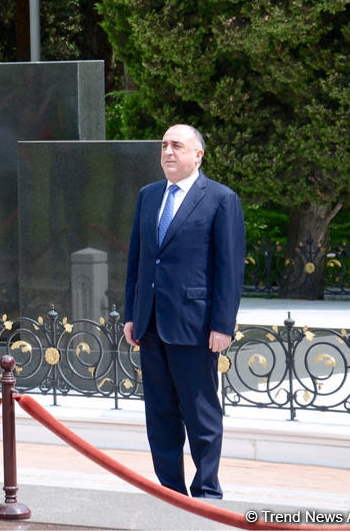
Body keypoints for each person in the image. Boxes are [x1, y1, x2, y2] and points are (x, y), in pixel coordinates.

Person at [122, 124, 244, 499]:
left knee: (201, 413)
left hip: (195, 326)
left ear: (198, 155)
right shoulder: (148, 196)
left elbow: (229, 268)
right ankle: (169, 490)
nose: (168, 152)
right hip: (151, 323)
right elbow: (138, 261)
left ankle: (207, 489)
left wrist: (223, 324)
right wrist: (131, 313)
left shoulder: (221, 199)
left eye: (177, 145)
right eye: (163, 145)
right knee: (160, 414)